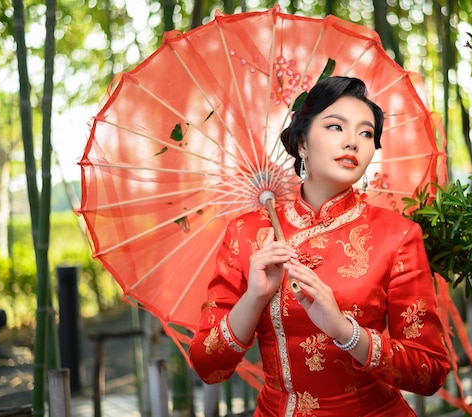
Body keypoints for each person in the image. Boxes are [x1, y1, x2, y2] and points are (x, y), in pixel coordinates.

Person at [189, 76, 450, 416]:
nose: (353, 142)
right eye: (335, 127)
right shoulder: (247, 233)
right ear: (302, 143)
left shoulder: (397, 235)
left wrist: (345, 331)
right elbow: (208, 367)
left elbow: (429, 371)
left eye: (366, 133)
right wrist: (254, 297)